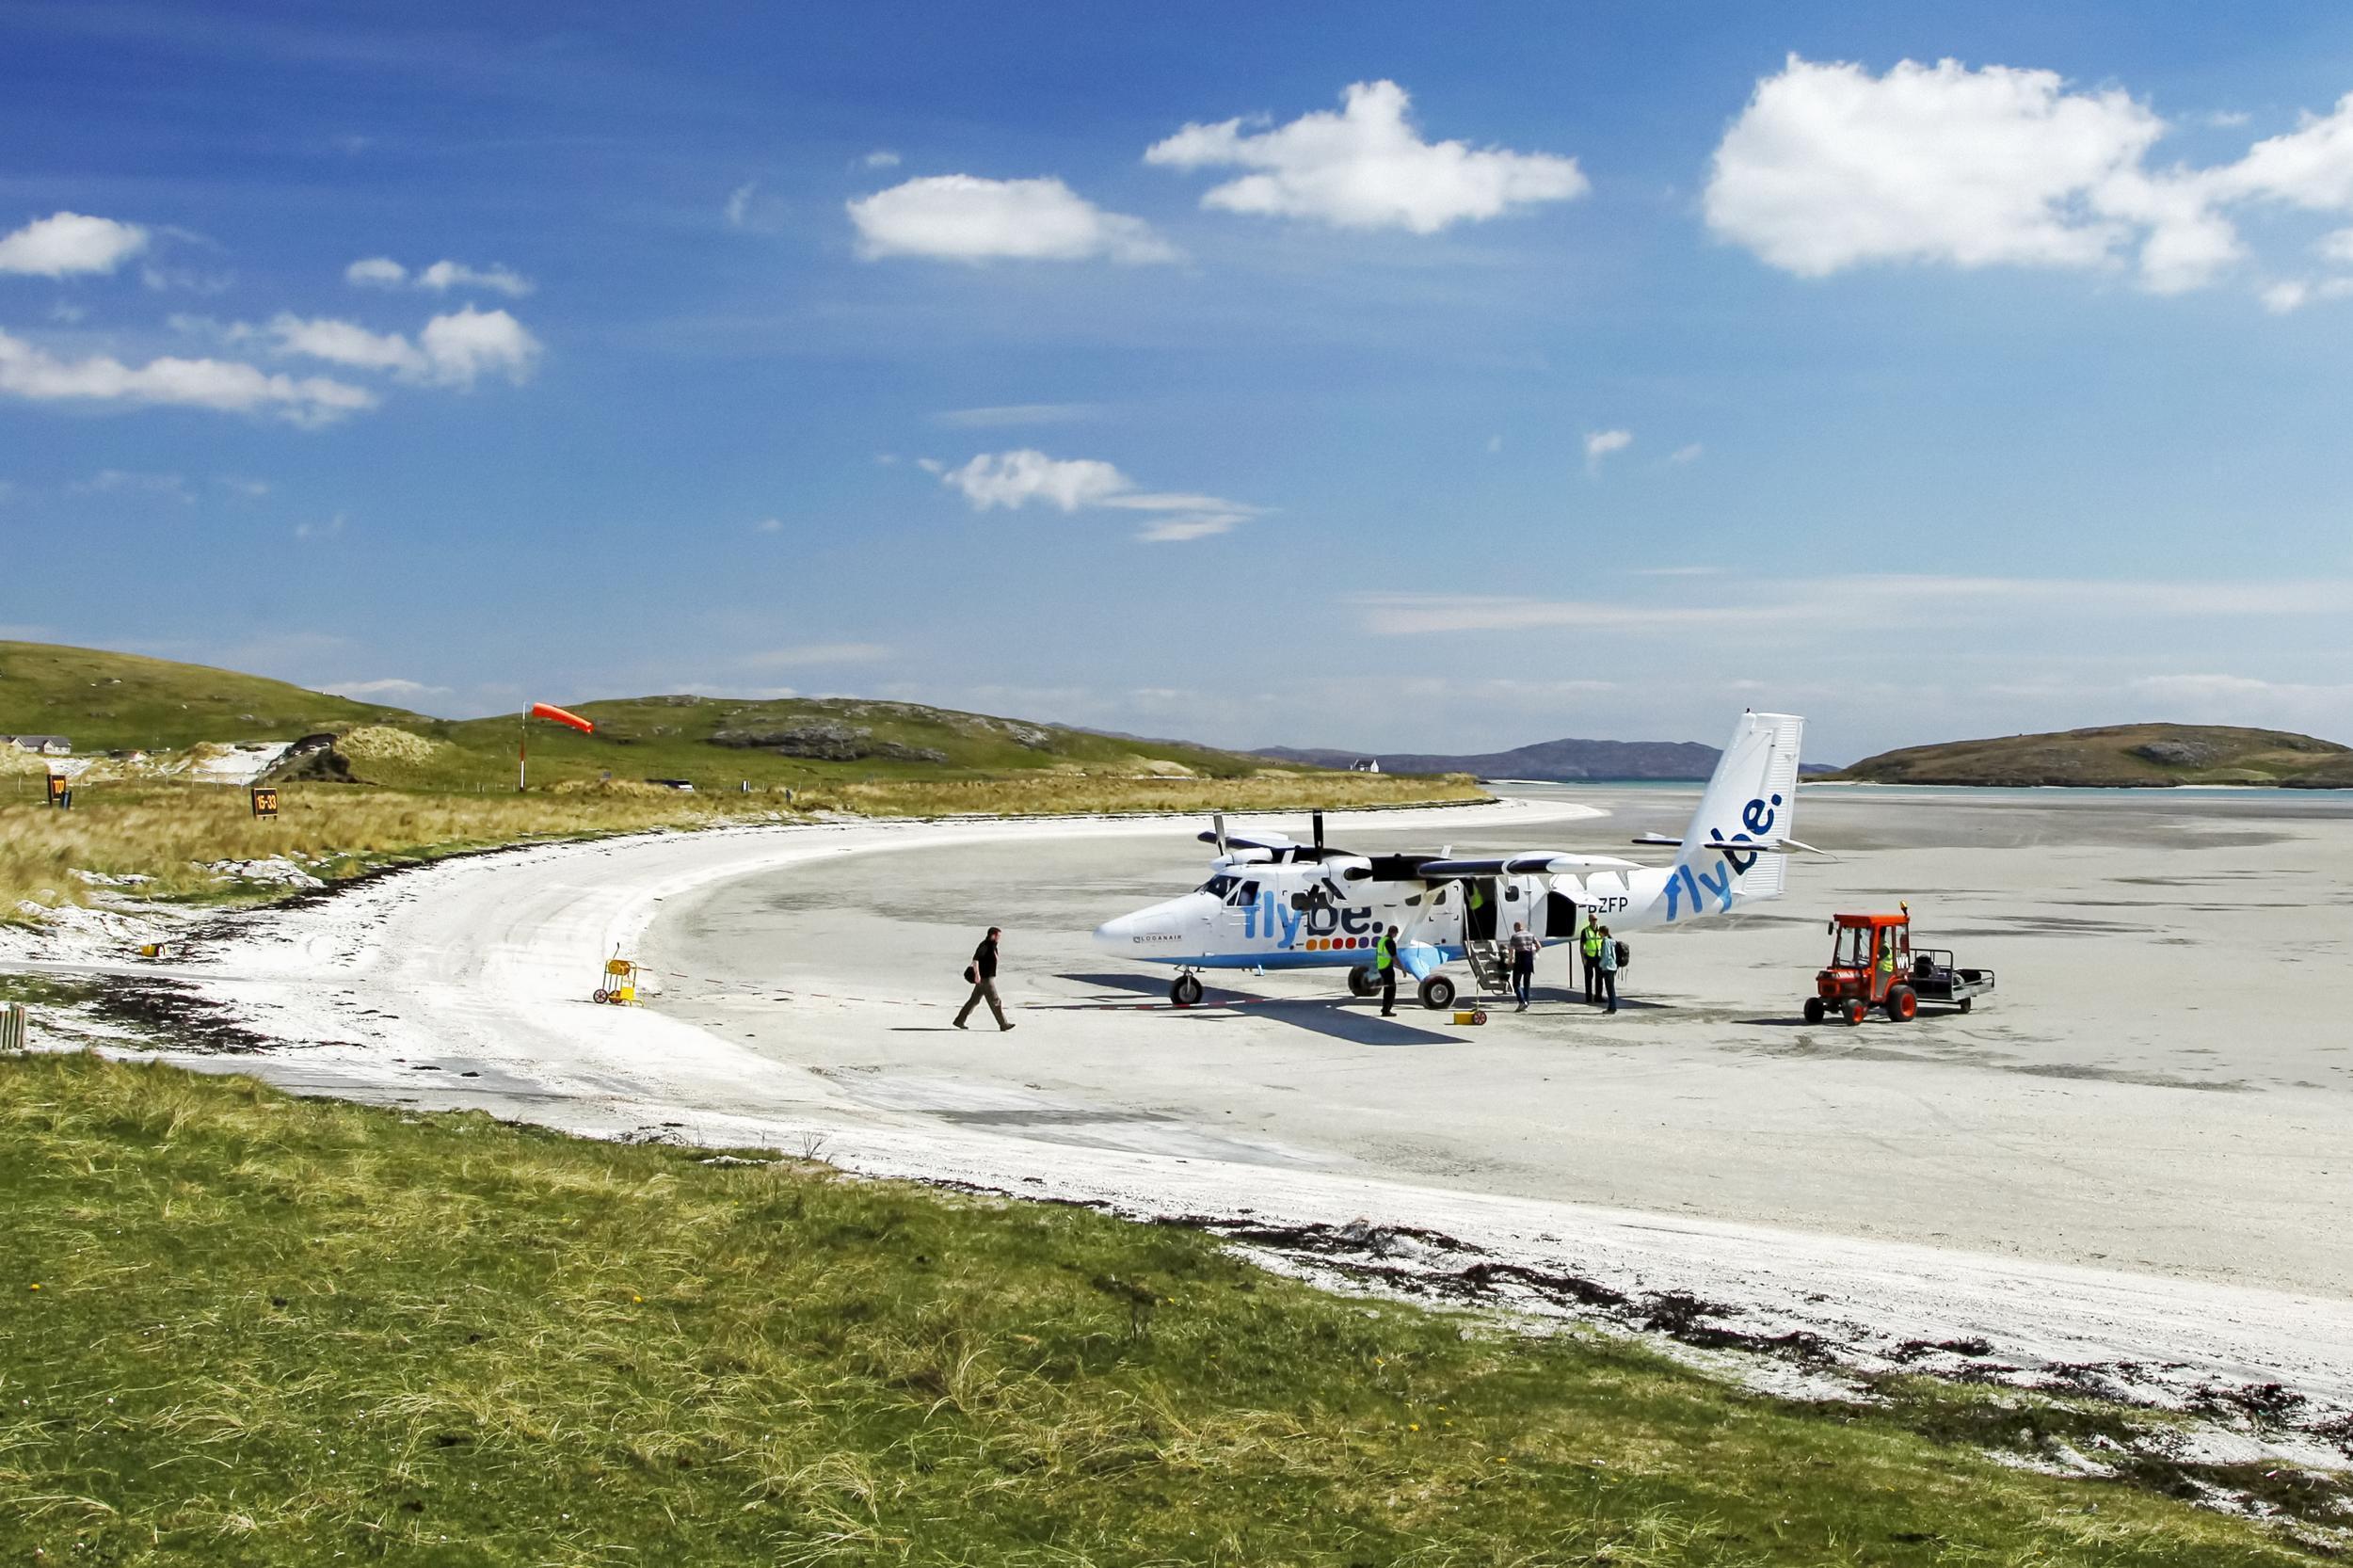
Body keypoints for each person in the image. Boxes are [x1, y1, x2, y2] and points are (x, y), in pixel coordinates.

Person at [953, 925, 1014, 1031]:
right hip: (985, 979)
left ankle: (959, 1021)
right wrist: (977, 974)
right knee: (995, 1001)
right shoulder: (985, 945)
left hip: (984, 978)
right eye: (998, 936)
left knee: (973, 1001)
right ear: (993, 935)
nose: (1000, 938)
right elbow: (976, 960)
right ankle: (1003, 1024)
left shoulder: (993, 946)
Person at [1507, 920, 1540, 1011]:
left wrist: (1510, 961)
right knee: (1527, 983)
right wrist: (1533, 953)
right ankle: (1527, 1002)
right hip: (1528, 960)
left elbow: (1511, 950)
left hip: (1519, 960)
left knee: (1516, 983)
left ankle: (1522, 1001)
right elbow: (1539, 946)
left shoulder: (1514, 936)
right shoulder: (1530, 935)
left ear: (1516, 927)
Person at [1578, 914, 1605, 1005]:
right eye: (1593, 919)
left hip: (1599, 957)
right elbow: (1581, 946)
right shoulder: (1585, 931)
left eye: (1596, 919)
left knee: (1599, 978)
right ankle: (1588, 998)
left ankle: (1598, 997)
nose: (1594, 921)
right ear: (1589, 920)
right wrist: (1583, 959)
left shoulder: (1601, 930)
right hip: (1589, 957)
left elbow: (1606, 941)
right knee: (1588, 978)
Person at [1374, 924, 1401, 1016]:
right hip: (1387, 967)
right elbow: (1394, 957)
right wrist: (1403, 968)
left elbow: (1378, 954)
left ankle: (1385, 1009)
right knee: (1391, 989)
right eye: (1396, 934)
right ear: (1394, 933)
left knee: (1387, 988)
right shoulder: (1390, 942)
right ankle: (1386, 1010)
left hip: (1381, 967)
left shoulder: (1381, 940)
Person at [1596, 923, 1620, 1014]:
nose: (1598, 934)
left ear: (1602, 933)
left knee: (1610, 989)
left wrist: (1600, 964)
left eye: (1599, 932)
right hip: (1613, 966)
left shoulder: (1605, 942)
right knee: (1610, 988)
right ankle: (1611, 1007)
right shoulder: (1611, 941)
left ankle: (1612, 1007)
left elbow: (1606, 956)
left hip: (1608, 967)